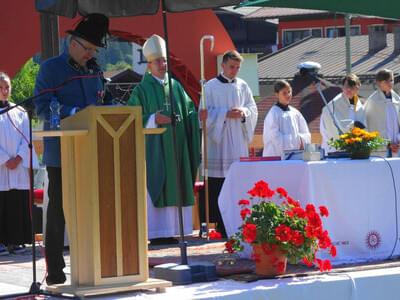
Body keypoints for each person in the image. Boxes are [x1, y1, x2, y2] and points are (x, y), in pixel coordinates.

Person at [34, 13, 110, 285]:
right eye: (88, 48)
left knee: (97, 207)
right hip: (62, 153)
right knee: (59, 211)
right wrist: (77, 112)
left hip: (95, 151)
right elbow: (43, 107)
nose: (91, 54)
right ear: (73, 43)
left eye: (94, 50)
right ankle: (55, 270)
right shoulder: (51, 69)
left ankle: (98, 265)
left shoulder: (96, 70)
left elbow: (106, 104)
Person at [127, 34, 201, 244]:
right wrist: (152, 119)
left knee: (176, 180)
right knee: (157, 181)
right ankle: (157, 233)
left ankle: (176, 229)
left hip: (177, 147)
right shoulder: (141, 90)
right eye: (159, 61)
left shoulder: (176, 86)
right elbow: (131, 117)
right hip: (155, 150)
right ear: (149, 64)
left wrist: (197, 116)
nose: (163, 64)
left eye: (165, 60)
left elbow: (188, 111)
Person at [201, 50, 258, 237]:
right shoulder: (209, 87)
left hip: (237, 140)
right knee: (218, 183)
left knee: (236, 182)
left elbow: (252, 108)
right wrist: (225, 113)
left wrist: (243, 113)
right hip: (219, 142)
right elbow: (203, 113)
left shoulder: (243, 86)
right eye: (232, 67)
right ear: (222, 65)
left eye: (238, 67)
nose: (235, 71)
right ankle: (219, 225)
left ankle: (237, 222)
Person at [0, 72, 39, 256]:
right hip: (2, 167)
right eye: (0, 88)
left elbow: (27, 137)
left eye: (7, 87)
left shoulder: (20, 112)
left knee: (16, 203)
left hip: (17, 166)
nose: (4, 91)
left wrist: (18, 158)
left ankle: (16, 240)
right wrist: (4, 159)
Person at [263, 79, 311, 158]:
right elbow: (275, 138)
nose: (288, 95)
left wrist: (302, 142)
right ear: (277, 95)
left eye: (289, 92)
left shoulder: (295, 113)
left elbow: (305, 132)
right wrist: (294, 144)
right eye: (284, 93)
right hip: (277, 157)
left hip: (295, 156)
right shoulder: (273, 114)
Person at [320, 74, 366, 153]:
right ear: (342, 87)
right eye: (346, 87)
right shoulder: (335, 103)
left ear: (357, 89)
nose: (348, 89)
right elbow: (334, 120)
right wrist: (353, 125)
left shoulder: (359, 104)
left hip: (355, 146)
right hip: (338, 148)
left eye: (352, 87)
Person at [365, 69, 400, 157]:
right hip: (381, 150)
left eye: (391, 80)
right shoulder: (373, 101)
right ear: (379, 83)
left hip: (397, 146)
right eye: (386, 81)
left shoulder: (397, 100)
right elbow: (369, 126)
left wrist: (397, 142)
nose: (390, 83)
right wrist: (387, 144)